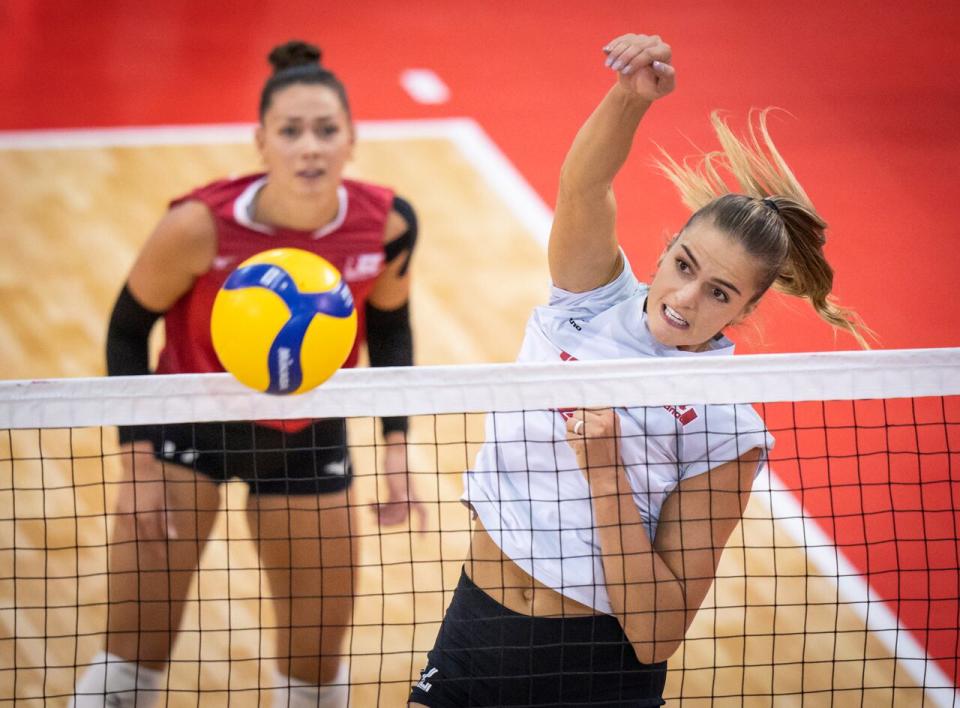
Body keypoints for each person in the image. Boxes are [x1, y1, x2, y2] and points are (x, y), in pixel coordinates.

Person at [409, 32, 869, 707]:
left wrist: (605, 475)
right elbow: (582, 185)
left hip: (592, 675)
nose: (685, 300)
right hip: (474, 633)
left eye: (719, 292)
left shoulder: (725, 425)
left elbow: (657, 633)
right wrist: (630, 97)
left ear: (746, 307)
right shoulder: (587, 302)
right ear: (664, 250)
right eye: (684, 266)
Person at [72, 40, 424, 708]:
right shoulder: (198, 227)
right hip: (189, 433)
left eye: (326, 130)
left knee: (316, 679)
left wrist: (396, 448)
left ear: (353, 140)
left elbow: (390, 326)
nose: (309, 147)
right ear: (261, 142)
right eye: (290, 132)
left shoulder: (387, 227)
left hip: (307, 435)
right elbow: (125, 330)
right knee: (126, 670)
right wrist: (137, 463)